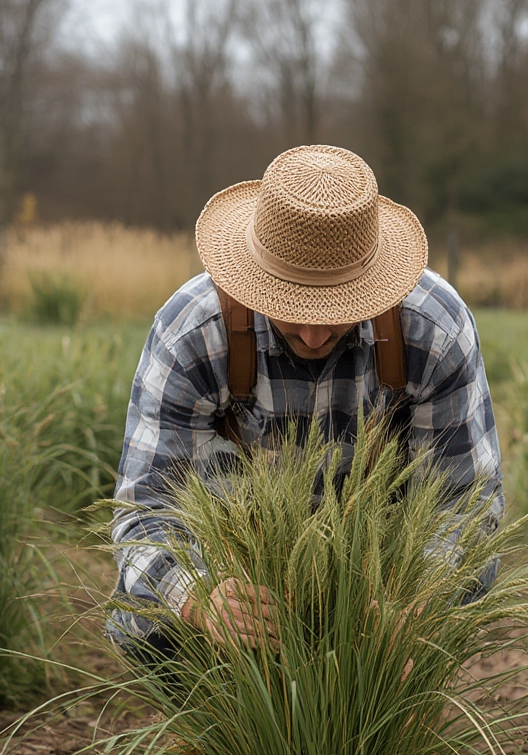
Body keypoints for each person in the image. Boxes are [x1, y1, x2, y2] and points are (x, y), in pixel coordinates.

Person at [108, 144, 503, 657]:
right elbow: (146, 508)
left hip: (382, 582)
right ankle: (220, 730)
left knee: (450, 603)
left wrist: (417, 600)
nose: (314, 334)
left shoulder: (434, 330)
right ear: (252, 276)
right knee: (146, 625)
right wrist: (200, 598)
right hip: (240, 579)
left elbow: (467, 505)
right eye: (291, 303)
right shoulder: (192, 333)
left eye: (338, 305)